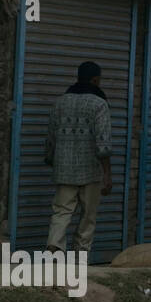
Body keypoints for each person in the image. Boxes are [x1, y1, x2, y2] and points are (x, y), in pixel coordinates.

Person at [44, 61, 113, 253]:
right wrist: (107, 174)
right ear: (95, 79)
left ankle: (54, 250)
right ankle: (80, 259)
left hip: (64, 169)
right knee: (88, 216)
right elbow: (104, 143)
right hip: (90, 171)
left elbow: (51, 137)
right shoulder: (99, 104)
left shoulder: (61, 102)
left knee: (61, 212)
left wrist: (52, 159)